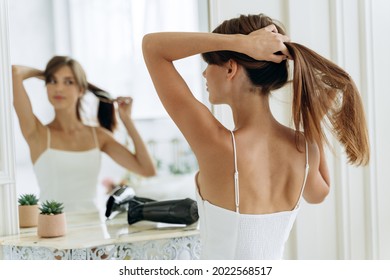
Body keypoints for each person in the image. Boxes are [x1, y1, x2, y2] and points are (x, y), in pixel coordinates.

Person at [142, 14, 369, 259]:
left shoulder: (218, 145)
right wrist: (311, 124)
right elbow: (318, 194)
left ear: (230, 68)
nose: (205, 74)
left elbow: (152, 47)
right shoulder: (303, 148)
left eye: (209, 63)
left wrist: (241, 43)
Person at [12, 56, 156, 213]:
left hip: (93, 228)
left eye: (68, 82)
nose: (58, 88)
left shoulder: (98, 136)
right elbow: (15, 73)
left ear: (81, 90)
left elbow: (147, 170)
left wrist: (127, 120)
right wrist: (44, 74)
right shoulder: (37, 133)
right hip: (51, 230)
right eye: (53, 81)